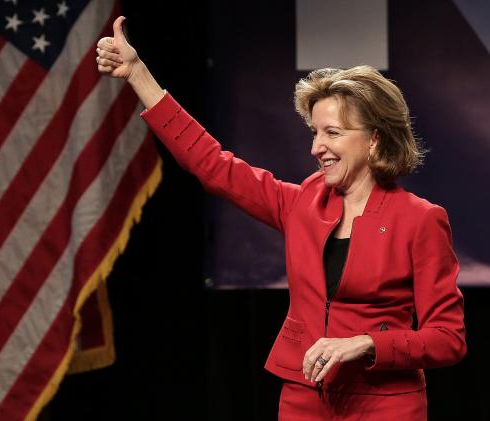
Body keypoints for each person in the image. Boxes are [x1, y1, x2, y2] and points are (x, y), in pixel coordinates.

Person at [96, 16, 467, 420]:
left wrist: (365, 343)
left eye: (332, 133)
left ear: (375, 139)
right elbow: (212, 164)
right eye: (314, 133)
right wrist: (138, 73)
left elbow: (449, 339)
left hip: (384, 404)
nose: (317, 147)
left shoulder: (421, 220)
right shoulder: (302, 203)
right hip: (303, 398)